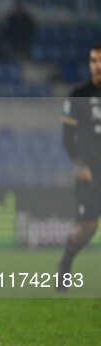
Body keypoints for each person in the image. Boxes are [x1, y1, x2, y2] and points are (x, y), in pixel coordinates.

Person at [57, 42, 101, 291]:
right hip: (90, 173)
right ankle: (65, 263)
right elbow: (67, 137)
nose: (98, 66)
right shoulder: (78, 94)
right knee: (88, 227)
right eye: (94, 61)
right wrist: (78, 164)